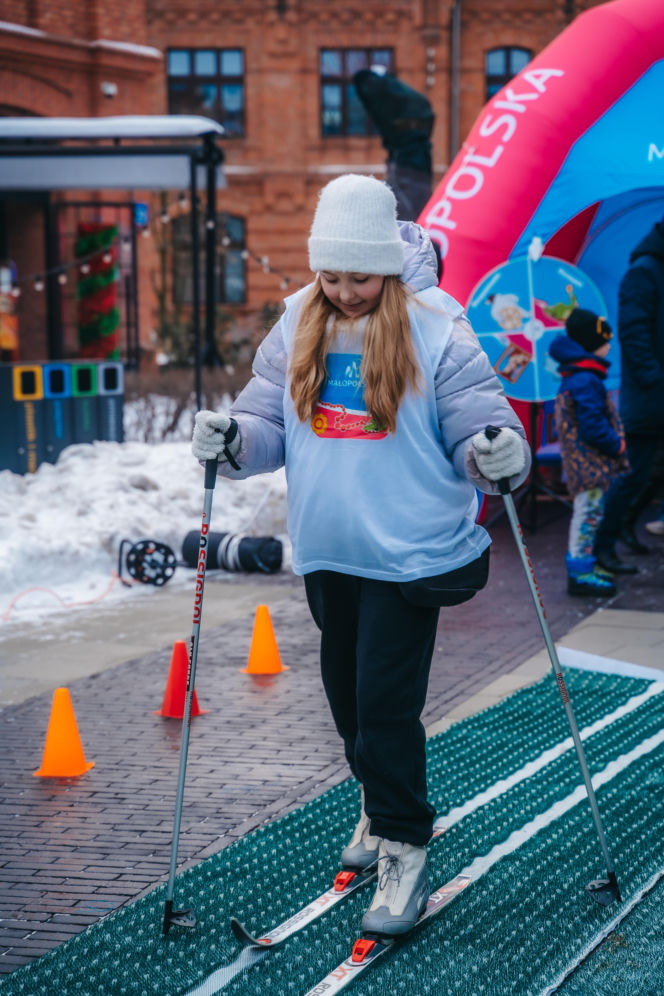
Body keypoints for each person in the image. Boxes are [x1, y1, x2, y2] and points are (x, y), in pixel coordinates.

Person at [191, 174, 530, 938]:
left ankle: (405, 841)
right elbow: (266, 419)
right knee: (348, 706)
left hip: (408, 553)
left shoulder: (436, 327)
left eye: (359, 277)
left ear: (385, 263)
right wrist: (235, 441)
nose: (345, 292)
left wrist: (494, 453)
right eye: (332, 275)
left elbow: (476, 419)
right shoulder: (299, 321)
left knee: (383, 708)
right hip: (330, 549)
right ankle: (379, 809)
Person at [593, 216, 664, 573]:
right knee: (634, 474)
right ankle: (602, 544)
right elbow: (634, 334)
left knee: (651, 473)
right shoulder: (644, 272)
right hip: (651, 399)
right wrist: (655, 379)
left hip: (654, 395)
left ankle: (622, 527)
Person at [549, 309, 628, 597]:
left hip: (586, 461)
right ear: (593, 343)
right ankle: (580, 574)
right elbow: (592, 425)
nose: (609, 346)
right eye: (606, 341)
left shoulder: (581, 375)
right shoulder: (585, 379)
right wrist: (615, 443)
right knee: (588, 514)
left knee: (590, 513)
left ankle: (585, 565)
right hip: (588, 462)